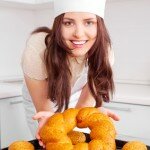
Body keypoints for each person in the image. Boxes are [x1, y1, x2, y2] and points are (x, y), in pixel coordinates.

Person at [21, 0, 120, 146]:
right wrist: (52, 124)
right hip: (45, 97)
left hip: (76, 96)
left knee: (79, 141)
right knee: (52, 139)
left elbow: (84, 106)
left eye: (89, 22)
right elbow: (48, 115)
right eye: (68, 23)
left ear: (99, 25)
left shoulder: (104, 51)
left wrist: (93, 117)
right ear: (58, 24)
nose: (79, 34)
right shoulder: (38, 48)